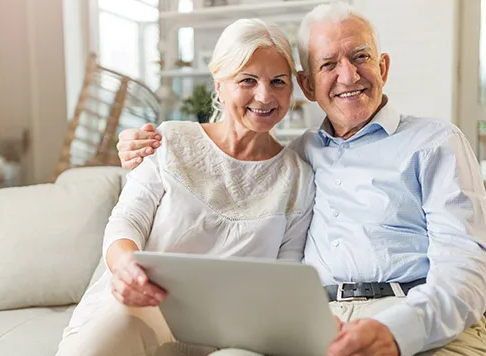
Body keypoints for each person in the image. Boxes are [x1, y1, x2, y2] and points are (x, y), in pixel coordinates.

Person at [118, 1, 486, 356]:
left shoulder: (436, 143)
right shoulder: (297, 158)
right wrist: (139, 146)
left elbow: (468, 272)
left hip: (424, 325)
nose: (348, 75)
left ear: (383, 67)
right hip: (319, 325)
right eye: (328, 63)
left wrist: (396, 332)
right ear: (308, 85)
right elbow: (229, 166)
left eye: (360, 56)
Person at [56, 18, 315, 356]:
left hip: (231, 338)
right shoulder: (170, 140)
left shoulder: (298, 177)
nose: (264, 96)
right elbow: (127, 219)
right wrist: (124, 268)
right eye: (247, 80)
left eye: (278, 81)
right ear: (219, 84)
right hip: (141, 312)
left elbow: (285, 277)